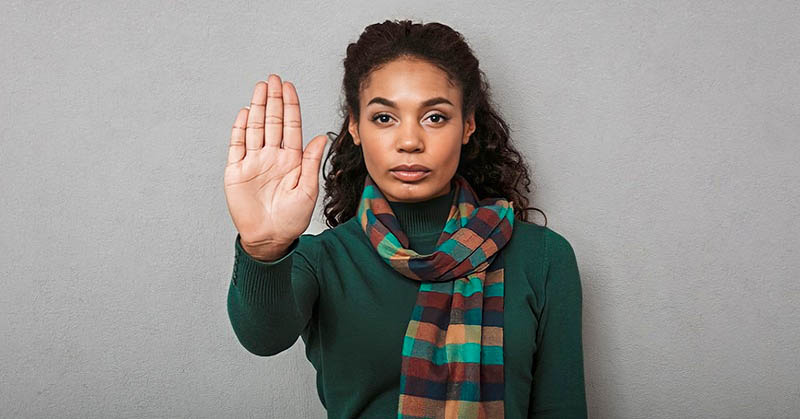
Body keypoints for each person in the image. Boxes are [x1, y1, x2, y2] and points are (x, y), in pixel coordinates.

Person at [223, 19, 586, 419]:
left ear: (467, 125)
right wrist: (264, 249)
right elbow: (262, 337)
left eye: (435, 117)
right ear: (355, 128)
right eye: (384, 118)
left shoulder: (544, 257)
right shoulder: (322, 259)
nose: (410, 141)